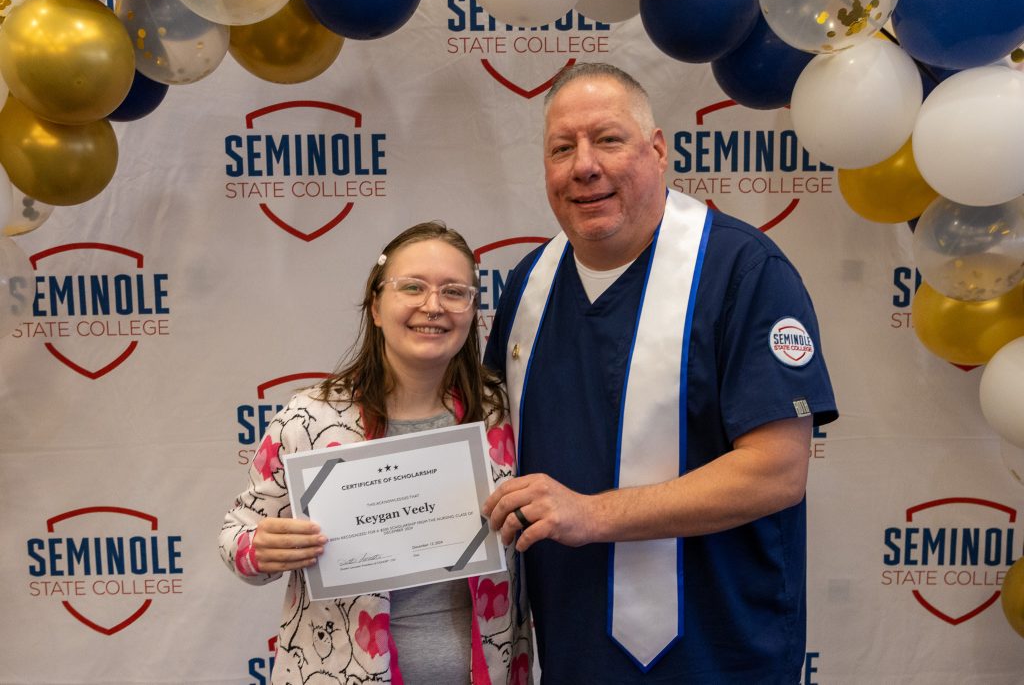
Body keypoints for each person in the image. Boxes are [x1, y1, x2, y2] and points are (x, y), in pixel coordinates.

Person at [482, 62, 838, 683]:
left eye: (608, 139)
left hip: (721, 659)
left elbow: (778, 472)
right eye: (561, 148)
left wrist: (592, 515)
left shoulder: (742, 272)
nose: (584, 165)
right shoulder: (526, 288)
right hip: (571, 654)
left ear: (658, 150)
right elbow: (485, 456)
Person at [220, 222, 532, 684]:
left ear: (472, 311)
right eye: (412, 287)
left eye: (454, 291)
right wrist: (260, 548)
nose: (433, 305)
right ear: (377, 306)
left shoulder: (504, 411)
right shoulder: (310, 418)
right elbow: (236, 537)